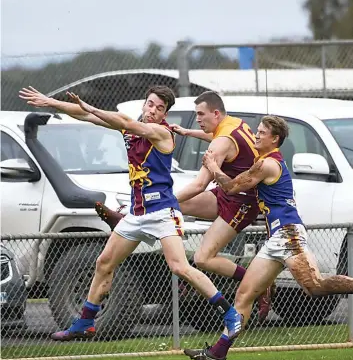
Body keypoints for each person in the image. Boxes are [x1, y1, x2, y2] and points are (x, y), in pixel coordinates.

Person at [18, 85, 242, 341]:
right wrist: (50, 102)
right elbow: (85, 116)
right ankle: (86, 322)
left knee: (180, 267)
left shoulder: (162, 132)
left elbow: (120, 120)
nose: (153, 111)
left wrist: (90, 106)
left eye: (160, 108)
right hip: (137, 213)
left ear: (164, 114)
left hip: (162, 212)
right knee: (104, 263)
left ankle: (230, 313)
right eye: (150, 104)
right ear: (144, 104)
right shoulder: (130, 126)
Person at [184, 115, 353, 360]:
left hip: (288, 234)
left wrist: (212, 165)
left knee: (314, 286)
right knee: (244, 295)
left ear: (275, 139)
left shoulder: (267, 165)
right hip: (275, 238)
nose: (256, 134)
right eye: (257, 131)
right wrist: (193, 134)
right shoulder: (262, 161)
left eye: (262, 132)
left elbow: (230, 187)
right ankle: (218, 353)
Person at [96, 91, 273, 321]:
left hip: (243, 203)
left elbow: (200, 184)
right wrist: (188, 132)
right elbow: (222, 139)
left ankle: (256, 281)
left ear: (216, 113)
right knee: (181, 204)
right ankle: (132, 216)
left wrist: (164, 201)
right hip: (227, 192)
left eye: (201, 115)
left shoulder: (220, 143)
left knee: (203, 259)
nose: (197, 118)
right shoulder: (233, 125)